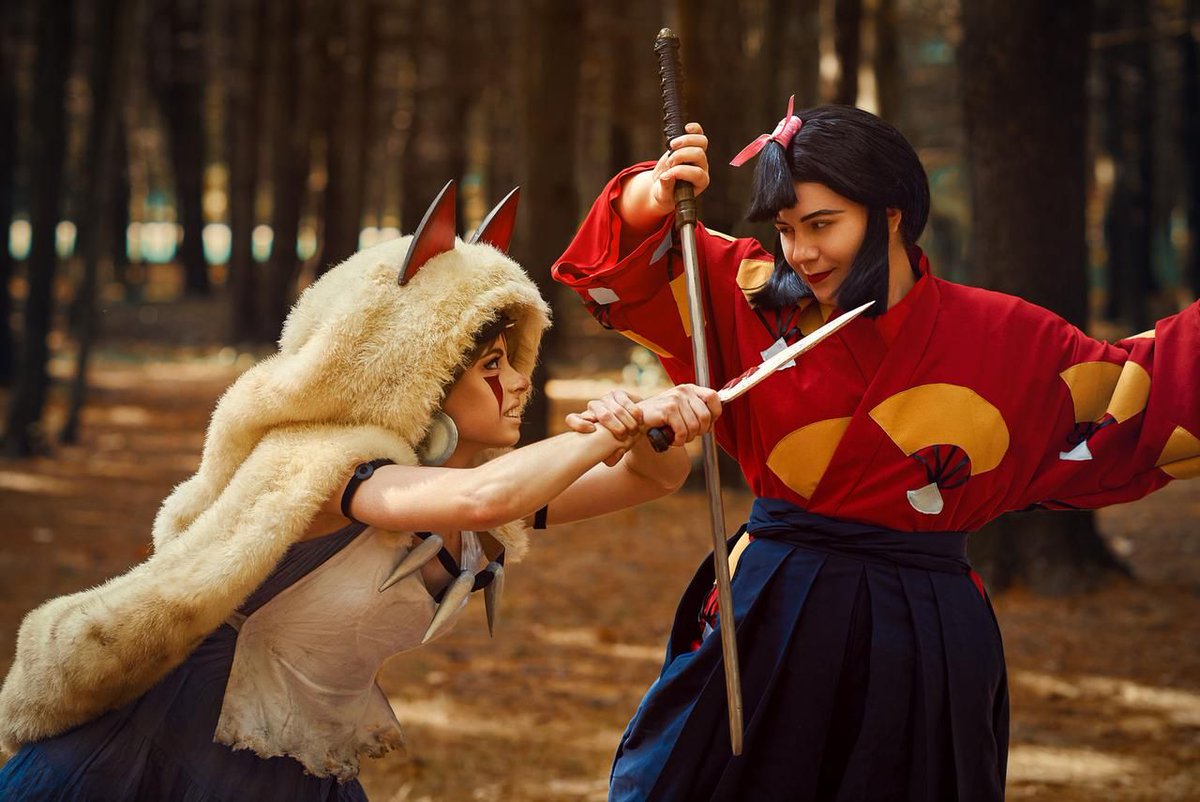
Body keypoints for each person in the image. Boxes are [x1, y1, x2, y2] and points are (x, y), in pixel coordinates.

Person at [552, 101, 1200, 801]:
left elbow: (1141, 395)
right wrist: (652, 196)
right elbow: (632, 267)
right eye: (787, 229)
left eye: (824, 225)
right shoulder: (754, 297)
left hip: (924, 624)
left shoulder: (1005, 335)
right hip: (771, 601)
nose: (801, 253)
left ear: (890, 213)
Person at [0, 183, 720, 801]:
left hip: (293, 764)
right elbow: (482, 502)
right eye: (492, 364)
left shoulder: (466, 490)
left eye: (514, 359)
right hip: (165, 742)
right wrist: (597, 435)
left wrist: (655, 430)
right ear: (421, 371)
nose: (521, 381)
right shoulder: (325, 468)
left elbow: (649, 481)